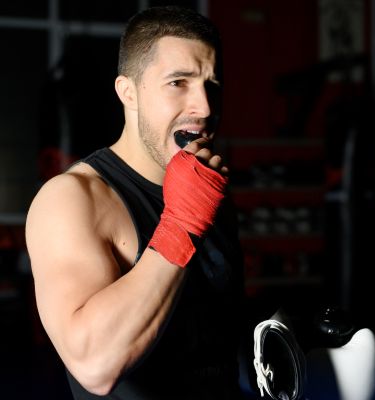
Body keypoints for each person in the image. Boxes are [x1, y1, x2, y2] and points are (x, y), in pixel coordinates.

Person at [26, 5, 245, 400]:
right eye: (179, 82)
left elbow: (210, 334)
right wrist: (181, 224)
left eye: (212, 85)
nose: (205, 107)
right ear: (128, 92)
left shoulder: (211, 191)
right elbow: (94, 365)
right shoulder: (73, 199)